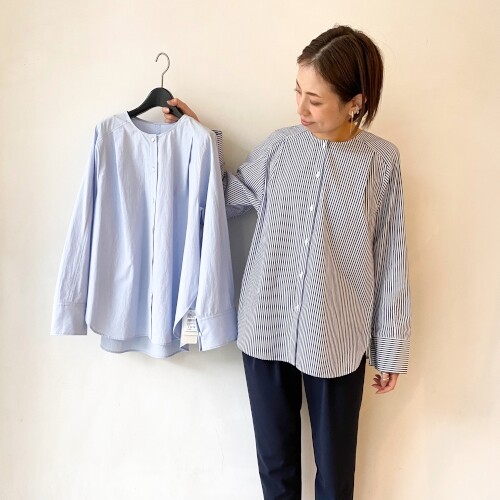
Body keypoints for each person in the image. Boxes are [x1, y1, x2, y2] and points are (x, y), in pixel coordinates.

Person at [163, 24, 410, 500]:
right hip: (266, 327)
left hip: (336, 337)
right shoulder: (279, 147)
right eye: (298, 91)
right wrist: (199, 139)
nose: (301, 108)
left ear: (355, 102)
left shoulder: (381, 162)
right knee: (275, 473)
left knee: (335, 478)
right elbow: (226, 199)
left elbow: (391, 255)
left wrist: (390, 345)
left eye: (315, 100)